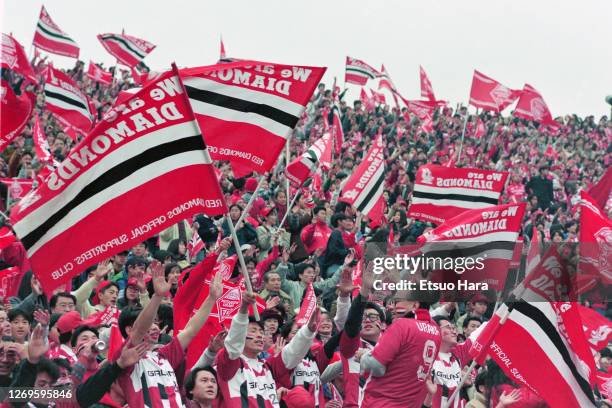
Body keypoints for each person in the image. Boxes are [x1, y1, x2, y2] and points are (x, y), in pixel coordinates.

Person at [114, 261, 223, 407]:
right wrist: (157, 296)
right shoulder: (125, 355)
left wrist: (211, 299)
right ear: (128, 330)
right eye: (149, 323)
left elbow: (190, 331)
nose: (154, 327)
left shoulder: (164, 355)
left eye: (155, 323)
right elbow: (139, 329)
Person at [213, 290, 320, 407]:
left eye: (261, 332)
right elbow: (233, 346)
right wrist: (243, 310)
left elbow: (292, 354)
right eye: (253, 331)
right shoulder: (230, 364)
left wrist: (308, 331)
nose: (259, 335)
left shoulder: (267, 366)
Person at [359, 292, 441, 408]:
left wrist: (364, 356)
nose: (393, 307)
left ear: (415, 305)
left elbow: (376, 366)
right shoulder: (436, 331)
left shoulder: (402, 325)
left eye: (398, 302)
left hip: (381, 402)